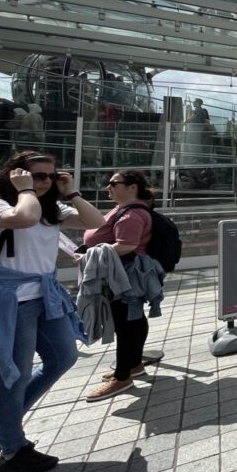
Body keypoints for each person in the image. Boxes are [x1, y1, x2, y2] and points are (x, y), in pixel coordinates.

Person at [0, 151, 105, 472]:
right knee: (12, 377)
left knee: (63, 357)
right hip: (10, 302)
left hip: (45, 296)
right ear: (16, 176)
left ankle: (2, 426)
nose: (45, 182)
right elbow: (25, 218)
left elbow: (97, 223)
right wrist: (26, 190)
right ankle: (12, 450)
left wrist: (71, 191)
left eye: (50, 176)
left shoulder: (52, 210)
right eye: (37, 175)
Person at [81, 170, 165, 402]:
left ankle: (123, 376)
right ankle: (134, 365)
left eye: (113, 183)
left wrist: (90, 255)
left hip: (125, 276)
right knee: (133, 319)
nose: (107, 187)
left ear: (132, 187)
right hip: (122, 274)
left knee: (126, 324)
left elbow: (127, 245)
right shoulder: (124, 210)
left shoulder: (131, 215)